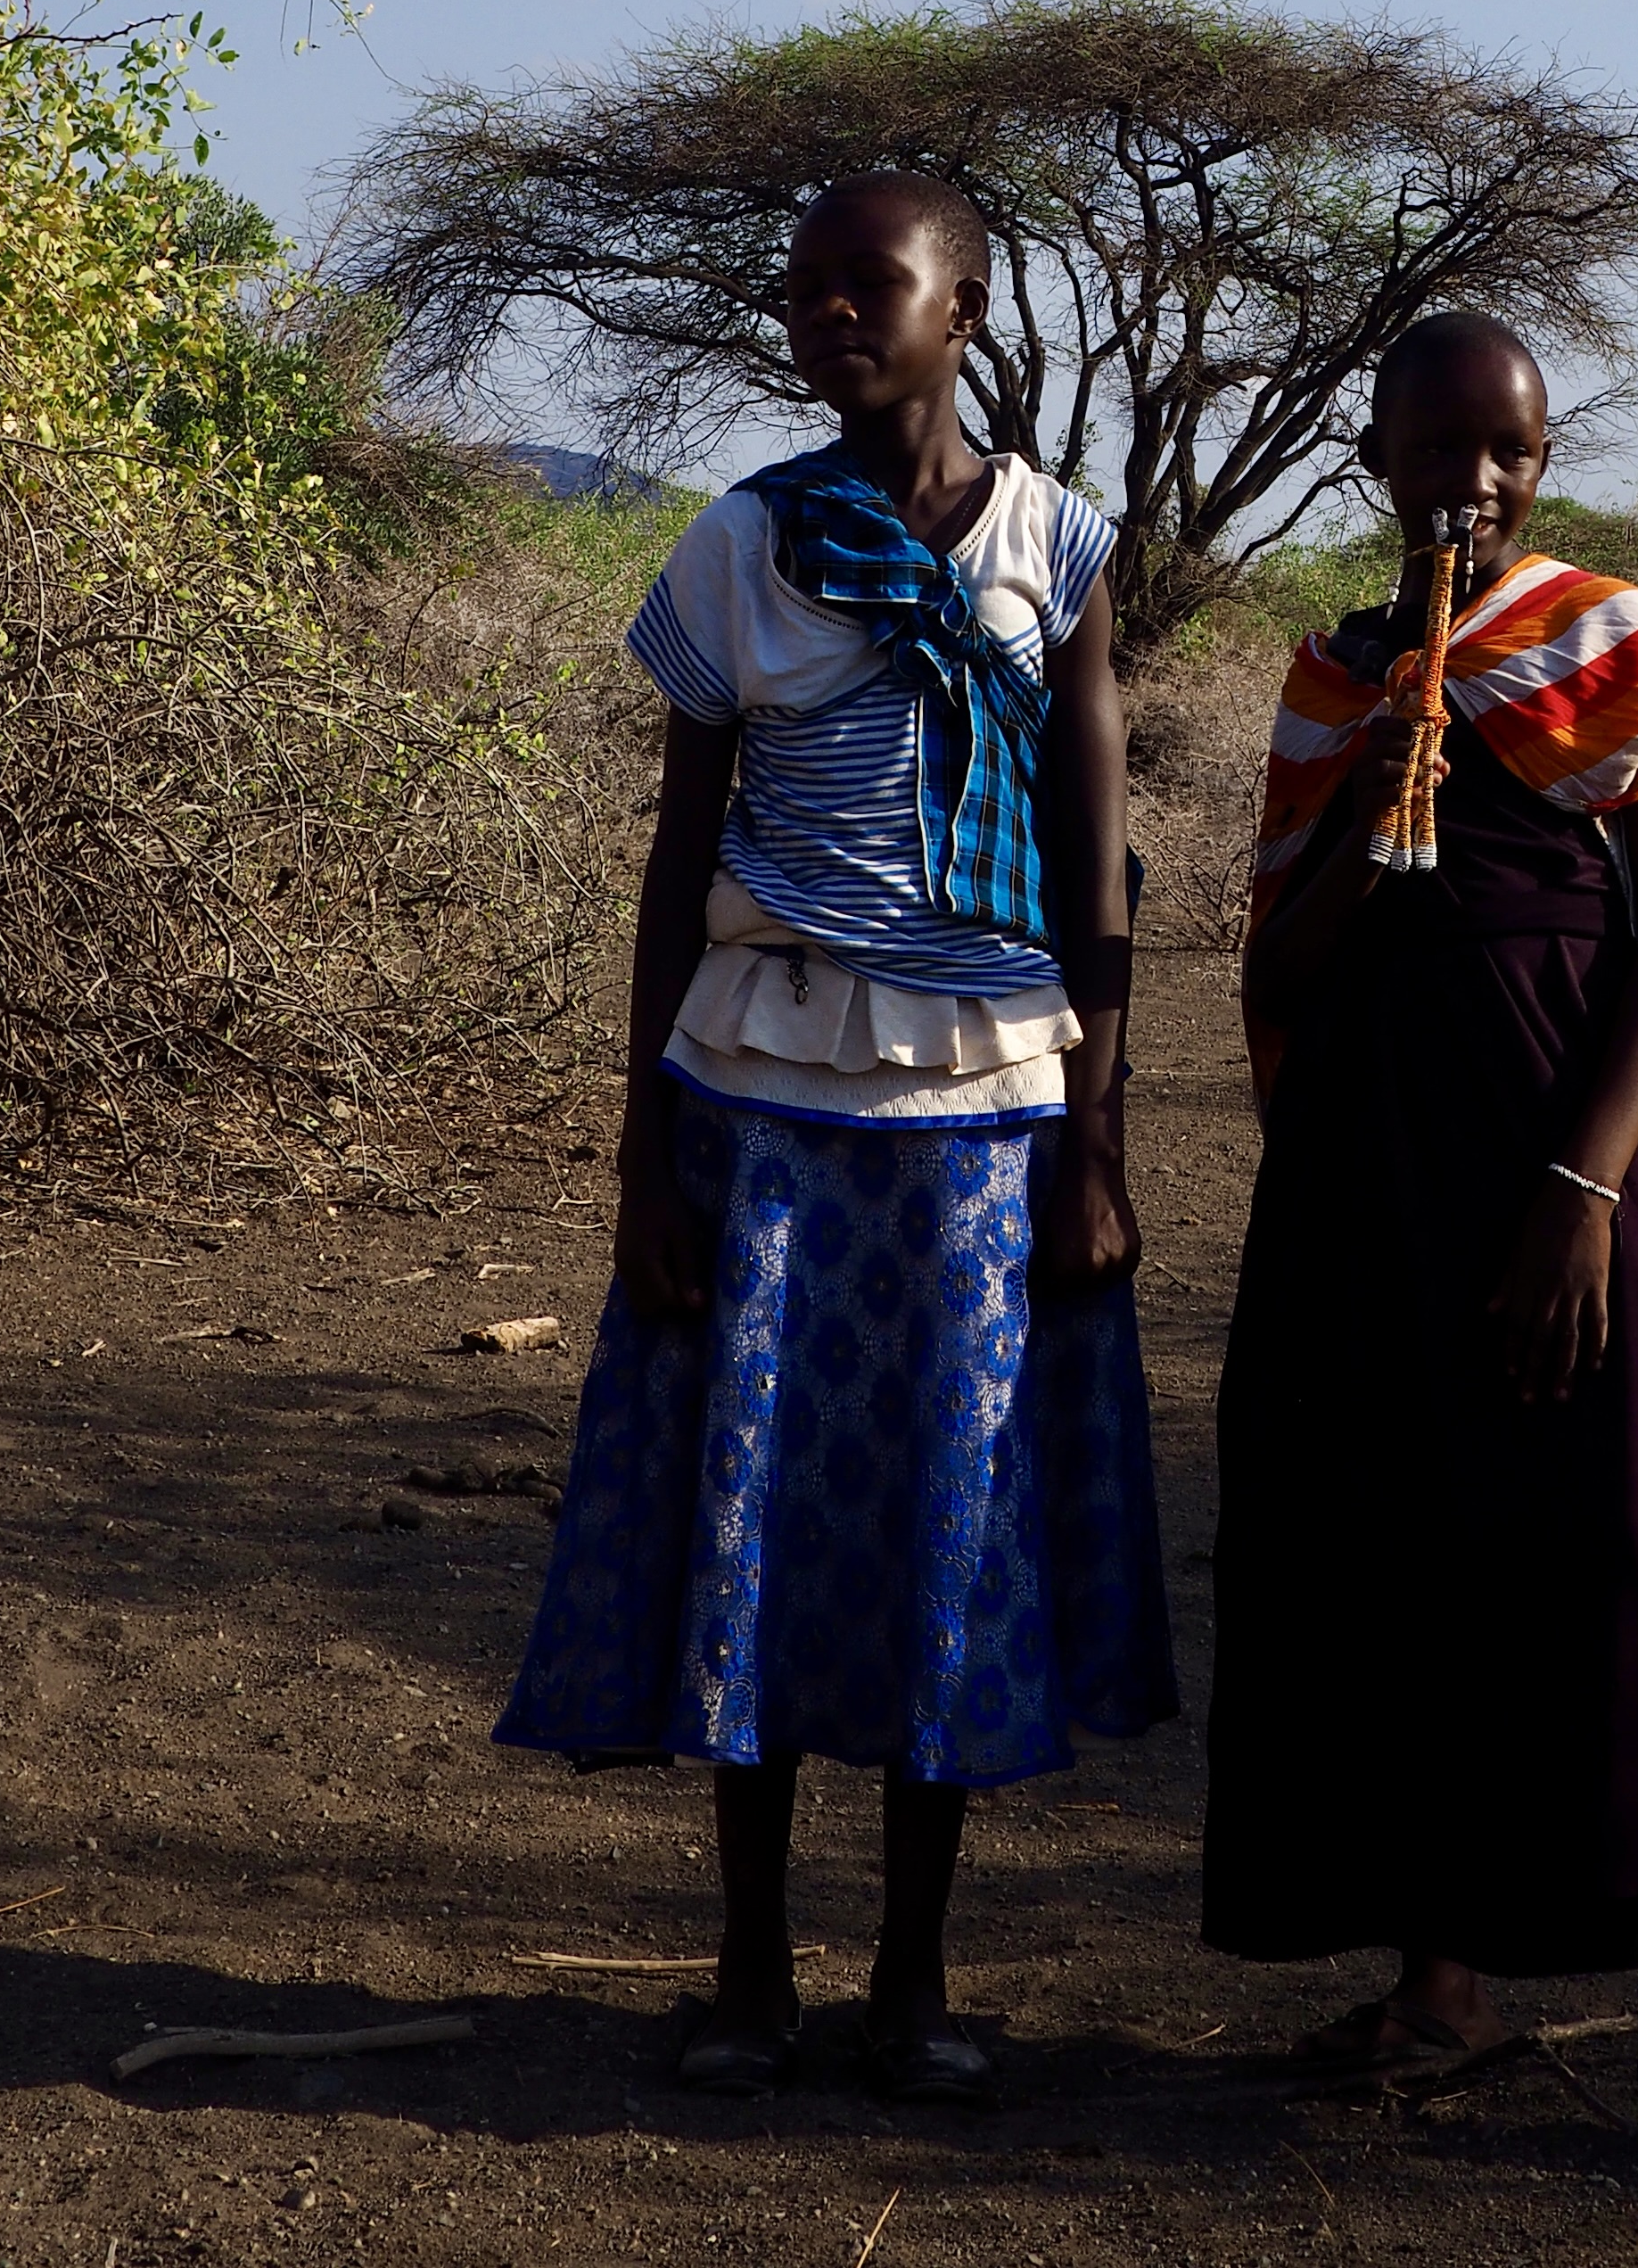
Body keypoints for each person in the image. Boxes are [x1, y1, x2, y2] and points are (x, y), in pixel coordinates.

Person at [497, 169, 1175, 2099]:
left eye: (870, 285)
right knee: (757, 1512)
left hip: (989, 1104)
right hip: (760, 1094)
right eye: (804, 290)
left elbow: (1091, 858)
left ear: (965, 309)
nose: (828, 314)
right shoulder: (744, 544)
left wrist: (1102, 1140)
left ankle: (916, 1980)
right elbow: (675, 858)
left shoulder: (1060, 543)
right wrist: (639, 1151)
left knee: (948, 1529)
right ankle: (746, 1972)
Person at [1202, 309, 1638, 2202]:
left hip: (1568, 1159)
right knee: (1396, 1544)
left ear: (1543, 459)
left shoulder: (1606, 640)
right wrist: (1383, 777)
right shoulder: (1332, 680)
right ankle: (1442, 1982)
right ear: (1378, 456)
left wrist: (1583, 1194)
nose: (1467, 485)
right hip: (1366, 1173)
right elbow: (1279, 969)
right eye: (1433, 451)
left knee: (1634, 1547)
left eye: (1502, 452)